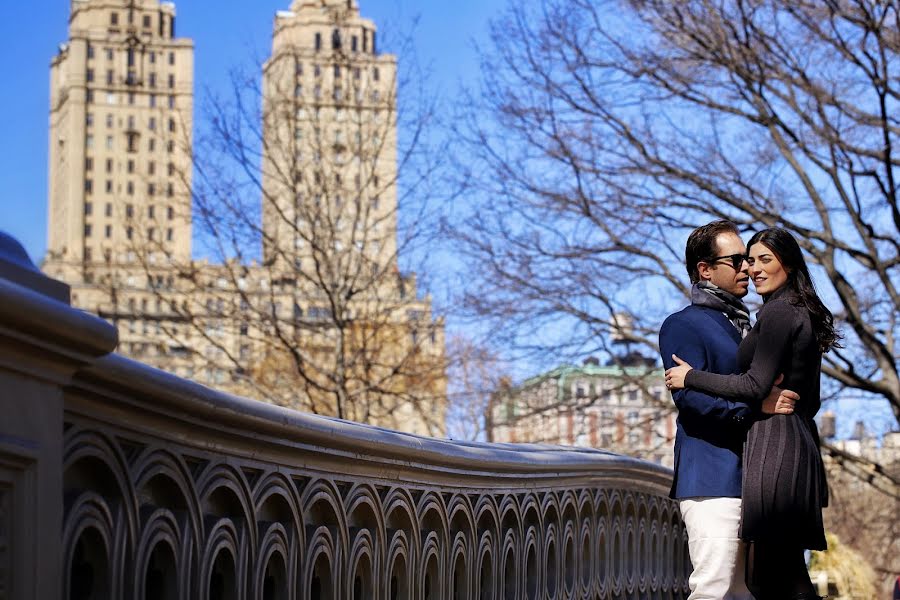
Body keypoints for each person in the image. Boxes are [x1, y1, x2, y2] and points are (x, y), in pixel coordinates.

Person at [666, 227, 839, 600]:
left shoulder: (765, 317)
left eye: (757, 259)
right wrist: (754, 406)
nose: (747, 268)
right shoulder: (684, 325)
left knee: (766, 586)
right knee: (720, 587)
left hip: (764, 470)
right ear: (705, 270)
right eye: (738, 260)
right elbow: (693, 403)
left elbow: (788, 391)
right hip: (716, 480)